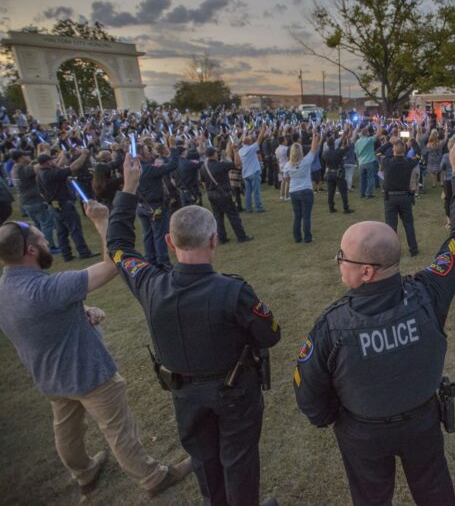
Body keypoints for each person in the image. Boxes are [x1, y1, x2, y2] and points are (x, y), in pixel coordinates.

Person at [293, 134, 455, 506]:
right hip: (421, 422)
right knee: (435, 491)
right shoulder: (428, 293)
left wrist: (335, 418)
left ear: (364, 271)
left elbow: (309, 391)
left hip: (364, 432)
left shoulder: (331, 326)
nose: (337, 262)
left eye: (341, 257)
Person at [108, 154, 281, 506]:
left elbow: (118, 248)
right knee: (239, 462)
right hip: (234, 394)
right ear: (214, 241)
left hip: (184, 394)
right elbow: (271, 335)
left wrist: (128, 188)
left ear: (170, 244)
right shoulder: (233, 291)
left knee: (205, 463)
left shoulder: (150, 284)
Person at [0, 204, 191, 499]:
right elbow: (111, 265)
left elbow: (36, 318)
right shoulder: (49, 289)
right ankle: (153, 477)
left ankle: (83, 473)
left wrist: (82, 309)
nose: (47, 241)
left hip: (50, 379)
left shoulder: (6, 289)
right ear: (31, 252)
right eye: (42, 239)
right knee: (118, 430)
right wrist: (102, 222)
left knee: (67, 429)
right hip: (89, 375)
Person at [36, 151, 99, 262]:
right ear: (47, 163)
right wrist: (83, 155)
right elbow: (73, 167)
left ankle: (67, 255)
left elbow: (42, 191)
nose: (54, 161)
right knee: (75, 229)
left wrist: (62, 155)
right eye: (52, 160)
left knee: (61, 232)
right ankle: (83, 252)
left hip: (54, 205)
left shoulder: (41, 173)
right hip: (64, 204)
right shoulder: (50, 174)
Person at [135, 137, 179, 268]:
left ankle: (151, 260)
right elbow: (173, 165)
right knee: (159, 234)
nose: (149, 152)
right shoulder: (148, 169)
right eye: (147, 151)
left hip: (141, 205)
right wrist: (173, 147)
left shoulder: (133, 168)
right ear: (140, 154)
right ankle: (163, 262)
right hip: (155, 206)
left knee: (148, 235)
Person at [200, 145, 254, 244]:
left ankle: (222, 238)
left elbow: (203, 182)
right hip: (223, 194)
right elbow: (237, 164)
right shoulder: (220, 165)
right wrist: (236, 151)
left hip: (211, 194)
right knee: (233, 215)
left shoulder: (203, 167)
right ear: (214, 154)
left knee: (218, 217)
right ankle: (241, 236)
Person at [11, 150, 58, 251]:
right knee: (47, 223)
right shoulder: (23, 169)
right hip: (35, 200)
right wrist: (44, 158)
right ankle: (50, 247)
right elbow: (38, 167)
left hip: (26, 202)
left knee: (38, 225)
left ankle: (41, 246)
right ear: (20, 158)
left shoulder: (14, 169)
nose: (28, 157)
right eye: (25, 156)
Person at [382, 139, 420, 257]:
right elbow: (419, 154)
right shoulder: (408, 162)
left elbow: (377, 152)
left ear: (393, 150)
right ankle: (413, 249)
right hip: (404, 196)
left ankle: (391, 251)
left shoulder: (386, 162)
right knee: (408, 224)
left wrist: (389, 142)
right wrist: (413, 140)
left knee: (391, 226)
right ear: (405, 150)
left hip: (391, 198)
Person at [284, 131, 321, 244]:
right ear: (300, 151)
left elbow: (286, 179)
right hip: (305, 190)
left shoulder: (287, 165)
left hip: (294, 192)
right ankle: (308, 238)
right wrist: (315, 137)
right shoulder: (305, 161)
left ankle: (297, 238)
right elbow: (314, 149)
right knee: (306, 216)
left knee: (297, 216)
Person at [237, 126, 267, 213]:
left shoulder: (240, 151)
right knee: (256, 191)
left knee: (248, 193)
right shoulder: (251, 148)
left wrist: (247, 132)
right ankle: (259, 207)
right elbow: (260, 139)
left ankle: (249, 208)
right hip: (254, 172)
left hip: (245, 174)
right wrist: (263, 130)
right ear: (249, 142)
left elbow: (244, 139)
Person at [322, 134, 353, 214]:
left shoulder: (325, 153)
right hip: (338, 173)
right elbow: (347, 147)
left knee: (331, 192)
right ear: (334, 143)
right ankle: (346, 208)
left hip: (329, 173)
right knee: (343, 191)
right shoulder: (338, 152)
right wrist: (346, 138)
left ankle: (331, 208)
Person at [354, 127, 378, 198]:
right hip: (370, 161)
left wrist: (358, 161)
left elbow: (357, 154)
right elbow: (378, 134)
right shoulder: (369, 140)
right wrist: (378, 124)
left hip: (361, 162)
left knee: (362, 179)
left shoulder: (357, 142)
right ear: (367, 133)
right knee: (370, 178)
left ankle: (362, 193)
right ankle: (369, 193)